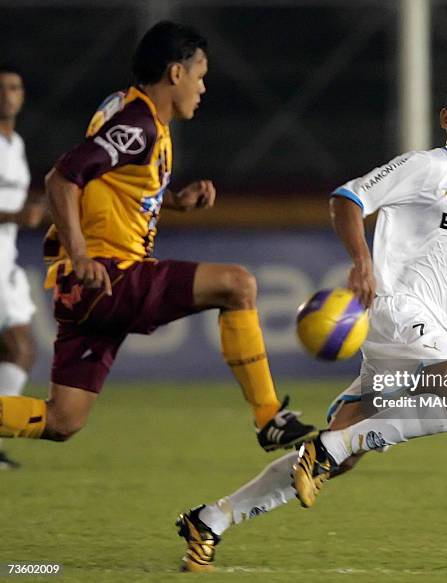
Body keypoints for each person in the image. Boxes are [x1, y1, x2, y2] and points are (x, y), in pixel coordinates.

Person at [175, 78, 447, 572]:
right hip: (396, 310)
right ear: (446, 120)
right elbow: (347, 199)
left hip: (428, 330)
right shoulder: (425, 167)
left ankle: (212, 519)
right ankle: (330, 446)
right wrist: (362, 262)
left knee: (341, 457)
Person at [0, 22, 316, 452]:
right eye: (200, 76)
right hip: (108, 274)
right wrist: (80, 255)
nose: (203, 88)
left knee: (62, 419)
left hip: (87, 286)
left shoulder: (132, 115)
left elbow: (110, 182)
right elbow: (63, 178)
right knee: (237, 284)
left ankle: (269, 419)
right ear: (175, 74)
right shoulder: (138, 125)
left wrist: (172, 201)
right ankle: (268, 417)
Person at [0, 64, 45, 469]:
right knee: (17, 346)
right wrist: (16, 217)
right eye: (2, 88)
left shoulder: (15, 145)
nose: (8, 94)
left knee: (20, 349)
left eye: (14, 87)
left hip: (6, 261)